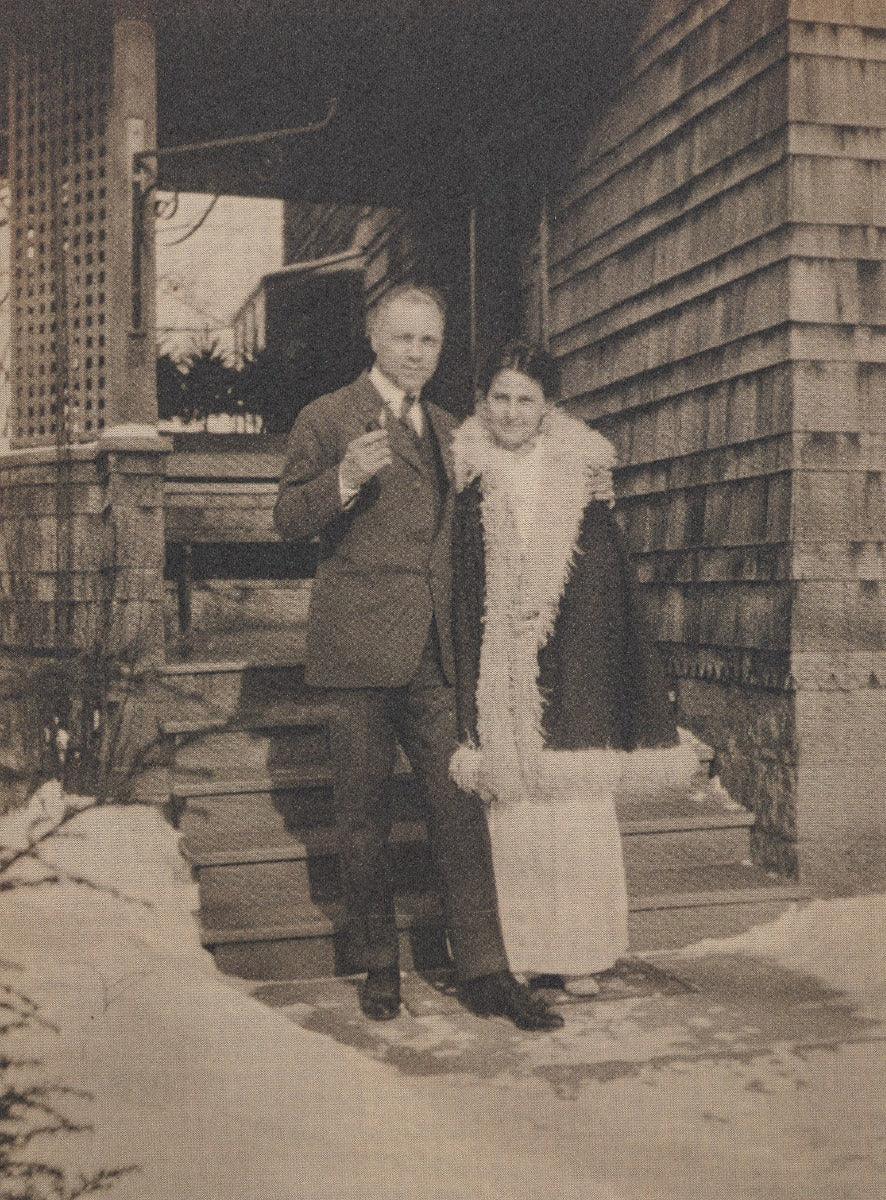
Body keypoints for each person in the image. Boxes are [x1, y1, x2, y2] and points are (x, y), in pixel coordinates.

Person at [274, 287, 562, 1031]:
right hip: (359, 651)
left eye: (429, 342)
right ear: (374, 337)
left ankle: (486, 972)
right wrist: (343, 479)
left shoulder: (447, 427)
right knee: (362, 817)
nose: (415, 353)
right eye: (402, 338)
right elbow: (285, 520)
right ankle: (378, 965)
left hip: (436, 652)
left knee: (459, 811)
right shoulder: (326, 416)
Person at [449, 342, 698, 996]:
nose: (510, 412)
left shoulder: (580, 474)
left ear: (546, 406)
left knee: (574, 808)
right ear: (484, 401)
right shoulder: (470, 476)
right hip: (502, 660)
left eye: (524, 399)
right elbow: (463, 582)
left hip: (574, 652)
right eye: (499, 398)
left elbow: (607, 582)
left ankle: (582, 954)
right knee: (518, 811)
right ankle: (525, 951)